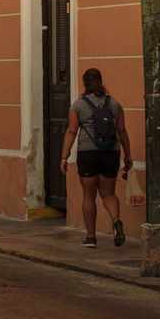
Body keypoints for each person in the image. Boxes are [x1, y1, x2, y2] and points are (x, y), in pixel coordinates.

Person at [59, 67, 133, 248]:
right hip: (111, 152)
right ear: (101, 82)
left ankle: (91, 237)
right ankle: (116, 222)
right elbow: (122, 131)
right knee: (108, 194)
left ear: (85, 84)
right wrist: (128, 155)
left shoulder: (78, 105)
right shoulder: (115, 104)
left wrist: (64, 156)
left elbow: (71, 131)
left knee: (88, 196)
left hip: (88, 153)